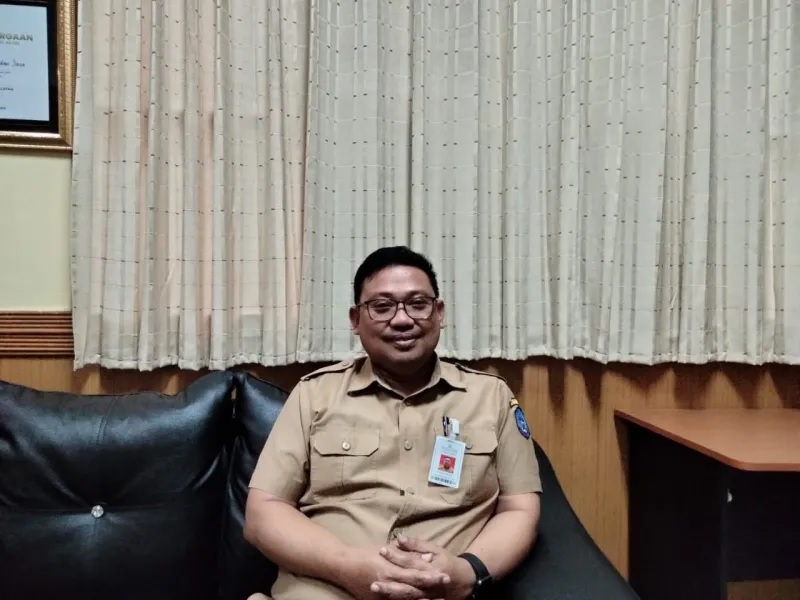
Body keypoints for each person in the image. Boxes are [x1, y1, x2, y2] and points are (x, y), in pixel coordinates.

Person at [244, 246, 542, 600]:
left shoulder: (490, 397)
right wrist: (346, 566)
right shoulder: (314, 395)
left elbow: (520, 508)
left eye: (418, 304)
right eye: (382, 306)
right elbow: (263, 512)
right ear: (356, 320)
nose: (402, 320)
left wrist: (468, 572)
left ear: (439, 313)